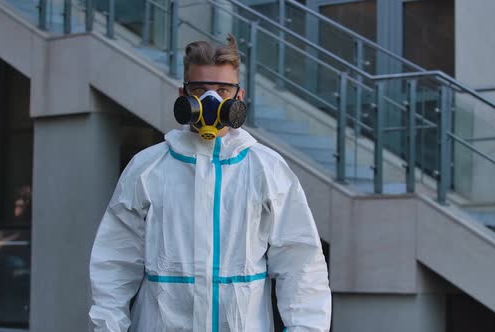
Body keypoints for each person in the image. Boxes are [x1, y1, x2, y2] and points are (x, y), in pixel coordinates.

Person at [89, 34, 331, 332]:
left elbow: (301, 264)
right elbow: (114, 260)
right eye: (200, 89)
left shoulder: (266, 169)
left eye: (222, 90)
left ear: (238, 98)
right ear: (183, 94)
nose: (211, 101)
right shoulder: (148, 168)